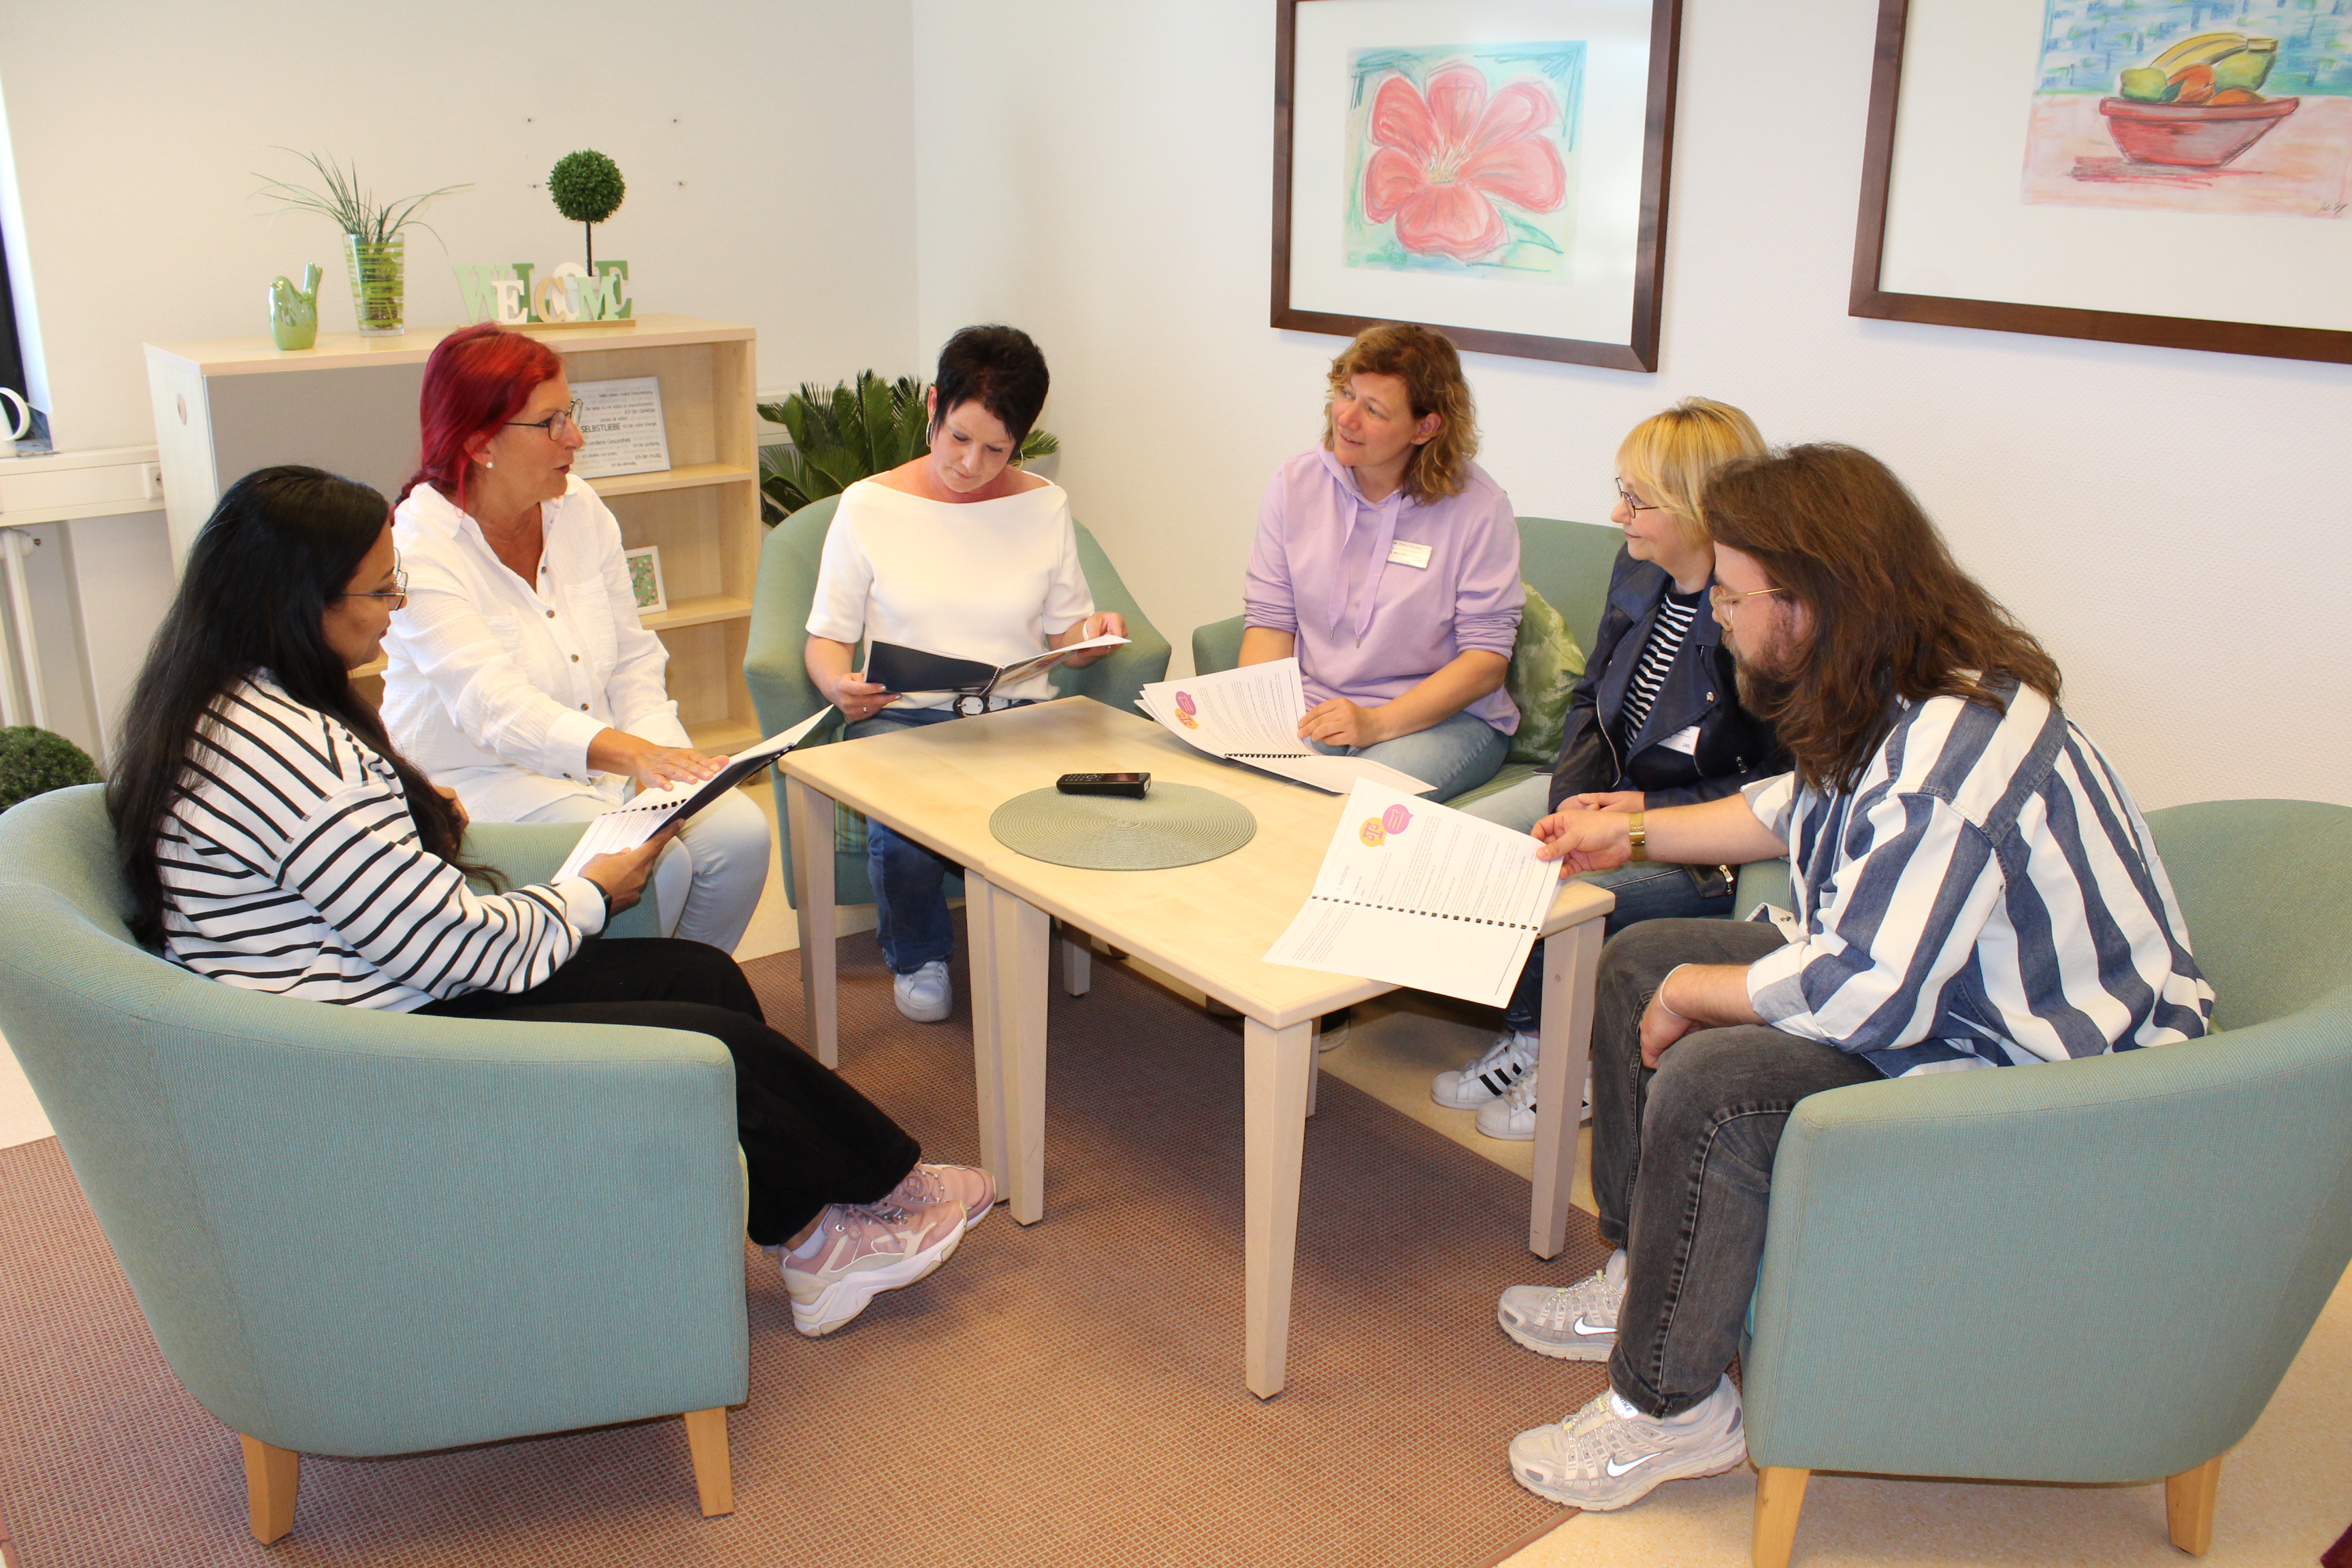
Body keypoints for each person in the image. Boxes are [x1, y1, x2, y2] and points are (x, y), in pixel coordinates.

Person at [108, 466, 994, 1338]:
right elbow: (453, 951)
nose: (397, 605)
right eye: (380, 590)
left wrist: (445, 829)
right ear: (300, 602)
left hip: (368, 993)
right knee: (704, 1043)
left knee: (697, 979)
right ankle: (861, 1206)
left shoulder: (231, 703)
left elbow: (382, 901)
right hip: (372, 1052)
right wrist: (588, 893)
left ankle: (821, 1234)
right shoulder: (292, 756)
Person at [1493, 444, 2213, 1513]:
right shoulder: (1895, 684)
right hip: (1958, 997)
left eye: (1734, 599)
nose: (1722, 618)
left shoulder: (1947, 758)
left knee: (1714, 1076)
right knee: (1639, 956)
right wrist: (1634, 829)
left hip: (2054, 1079)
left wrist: (1703, 995)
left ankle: (1671, 1409)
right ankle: (1650, 1271)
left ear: (1812, 600)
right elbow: (1793, 808)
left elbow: (1870, 992)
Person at [1437, 399, 1785, 1139]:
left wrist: (1634, 815)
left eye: (1636, 498)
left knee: (1563, 886)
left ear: (1699, 509)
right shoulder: (1639, 573)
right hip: (1611, 792)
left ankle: (1584, 1063)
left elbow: (1777, 790)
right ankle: (1531, 1036)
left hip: (1699, 840)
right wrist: (1569, 809)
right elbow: (1592, 697)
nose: (1617, 512)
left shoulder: (1759, 617)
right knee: (1470, 843)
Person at [379, 323, 772, 955]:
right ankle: (635, 1025)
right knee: (653, 863)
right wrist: (632, 757)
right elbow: (495, 707)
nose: (577, 438)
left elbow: (634, 662)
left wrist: (668, 761)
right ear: (481, 442)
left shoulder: (579, 508)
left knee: (741, 835)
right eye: (552, 422)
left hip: (606, 764)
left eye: (572, 413)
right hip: (483, 778)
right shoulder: (416, 548)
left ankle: (694, 996)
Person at [803, 325, 1124, 1024]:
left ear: (1022, 441)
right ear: (932, 406)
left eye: (996, 449)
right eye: (958, 438)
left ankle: (1043, 934)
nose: (971, 464)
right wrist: (838, 687)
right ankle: (918, 955)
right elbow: (825, 640)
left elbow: (1067, 632)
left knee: (1094, 801)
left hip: (1014, 713)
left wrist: (1089, 641)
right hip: (903, 715)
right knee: (905, 832)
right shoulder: (869, 505)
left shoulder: (1043, 505)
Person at [1241, 322, 1523, 803]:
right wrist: (1257, 725)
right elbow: (1270, 622)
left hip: (1444, 721)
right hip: (1319, 706)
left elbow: (1485, 664)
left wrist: (1375, 723)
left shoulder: (1479, 507)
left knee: (1354, 806)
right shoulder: (1295, 483)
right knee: (1249, 787)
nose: (1346, 418)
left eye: (1373, 410)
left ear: (1425, 426)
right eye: (1346, 394)